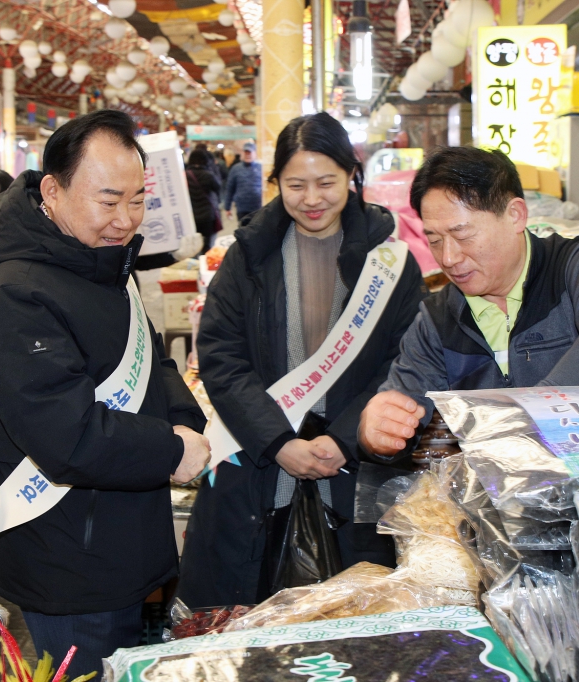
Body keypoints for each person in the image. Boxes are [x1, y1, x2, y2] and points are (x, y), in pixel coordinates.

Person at [0, 110, 210, 676]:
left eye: (138, 200)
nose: (125, 219)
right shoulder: (13, 297)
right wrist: (171, 449)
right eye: (108, 200)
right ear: (52, 192)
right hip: (71, 566)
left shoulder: (102, 262)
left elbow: (151, 361)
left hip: (130, 539)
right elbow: (66, 436)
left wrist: (185, 421)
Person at [177, 112, 427, 607]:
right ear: (276, 183)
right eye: (296, 185)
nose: (312, 199)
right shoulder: (247, 256)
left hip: (357, 474)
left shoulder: (391, 262)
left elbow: (404, 361)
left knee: (356, 621)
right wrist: (278, 442)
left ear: (351, 174)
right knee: (250, 617)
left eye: (326, 183)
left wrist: (345, 437)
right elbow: (222, 355)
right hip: (257, 470)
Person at [358, 146, 579, 459]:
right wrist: (376, 433)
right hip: (495, 485)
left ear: (515, 215)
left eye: (463, 234)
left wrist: (529, 418)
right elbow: (400, 409)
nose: (449, 258)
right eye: (435, 240)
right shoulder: (436, 320)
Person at [185, 149, 222, 247]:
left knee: (194, 245)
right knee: (207, 244)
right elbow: (218, 187)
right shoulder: (208, 175)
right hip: (207, 216)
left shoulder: (185, 175)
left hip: (191, 215)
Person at [223, 141, 262, 221]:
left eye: (250, 152)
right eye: (246, 152)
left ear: (255, 153)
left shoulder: (261, 168)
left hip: (259, 207)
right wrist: (227, 207)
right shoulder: (236, 169)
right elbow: (230, 188)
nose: (248, 154)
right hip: (242, 208)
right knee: (243, 227)